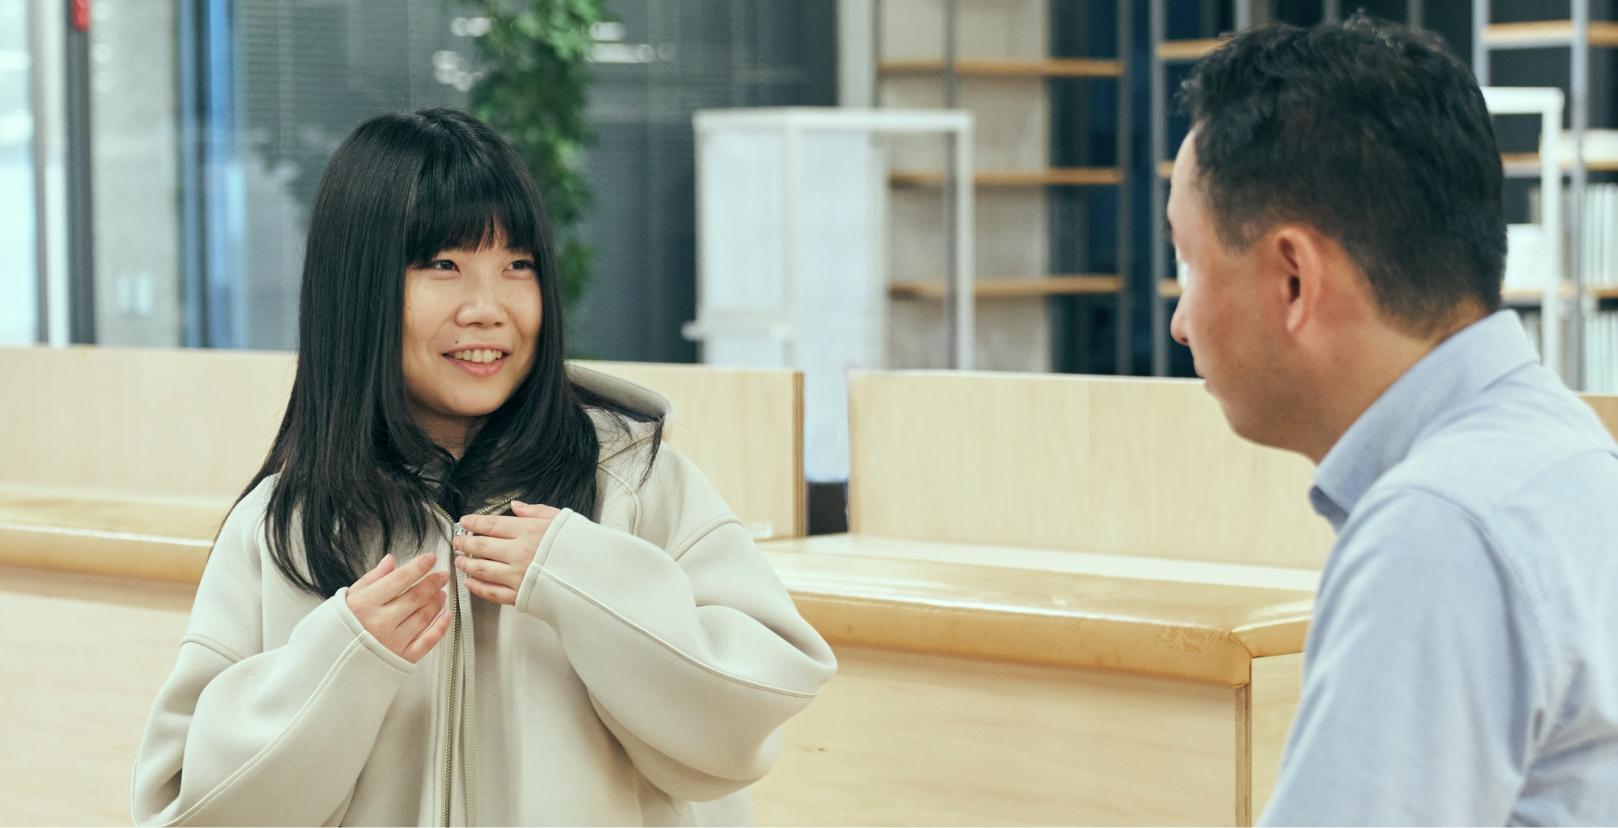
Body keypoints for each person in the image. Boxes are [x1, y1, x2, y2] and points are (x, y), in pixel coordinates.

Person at [131, 108, 836, 826]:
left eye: (518, 266)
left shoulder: (634, 479)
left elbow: (746, 721)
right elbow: (184, 809)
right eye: (443, 265)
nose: (488, 307)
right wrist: (342, 663)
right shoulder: (285, 527)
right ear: (357, 287)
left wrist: (587, 583)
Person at [1168, 15, 1618, 825]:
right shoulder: (1561, 448)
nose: (1180, 322)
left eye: (1191, 264)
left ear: (1294, 279)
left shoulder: (1439, 529)